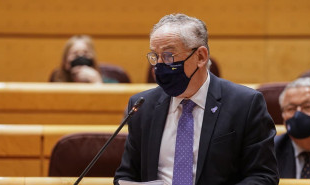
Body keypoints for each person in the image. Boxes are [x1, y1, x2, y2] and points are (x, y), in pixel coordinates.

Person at [114, 13, 278, 185]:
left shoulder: (245, 104)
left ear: (200, 56)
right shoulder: (143, 106)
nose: (159, 65)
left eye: (169, 56)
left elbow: (263, 176)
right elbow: (126, 176)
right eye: (155, 56)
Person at [275, 77, 310, 179]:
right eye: (290, 109)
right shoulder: (270, 152)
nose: (298, 114)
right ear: (283, 117)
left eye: (308, 106)